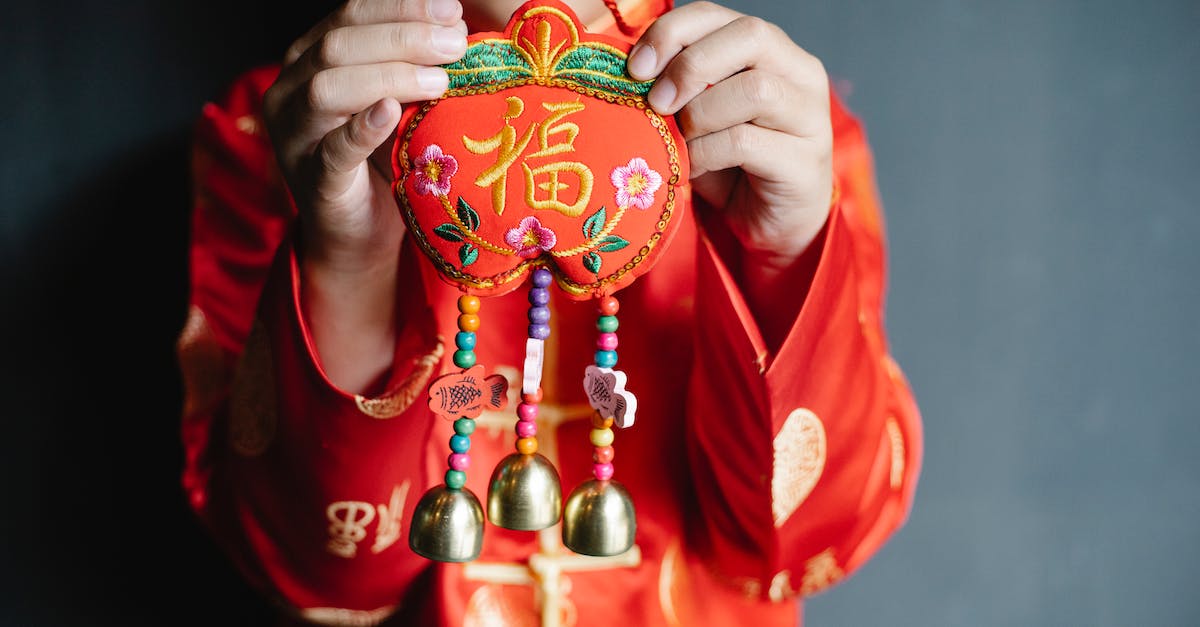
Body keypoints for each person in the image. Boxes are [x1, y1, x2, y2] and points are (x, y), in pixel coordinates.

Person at [175, 0, 924, 624]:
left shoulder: (774, 123)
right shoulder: (295, 125)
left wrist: (783, 258)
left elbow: (803, 542)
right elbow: (317, 568)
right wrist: (347, 262)